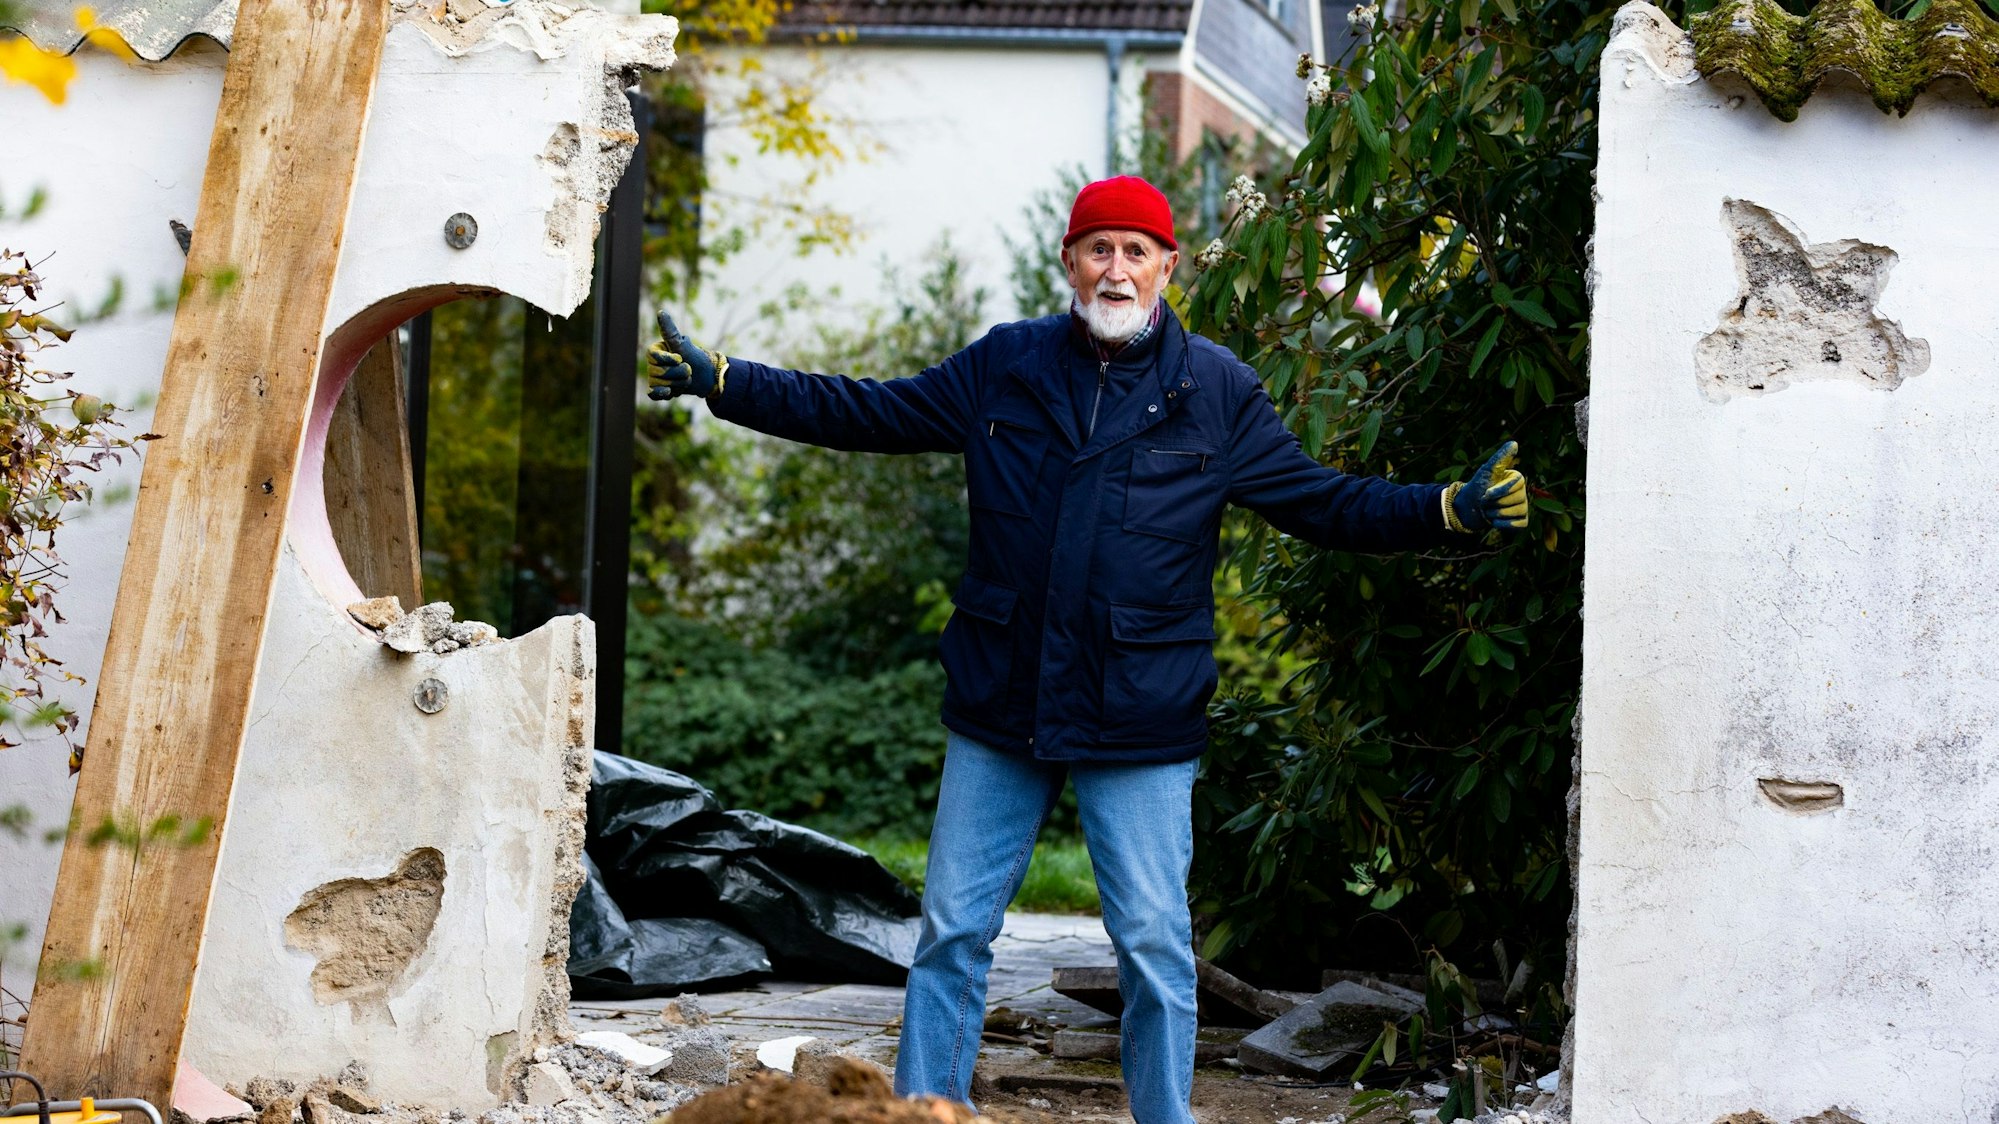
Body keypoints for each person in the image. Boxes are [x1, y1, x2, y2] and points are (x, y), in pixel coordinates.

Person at [645, 175, 1528, 1124]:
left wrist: (1445, 509)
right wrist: (725, 383)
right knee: (950, 934)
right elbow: (869, 412)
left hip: (1139, 711)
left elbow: (1320, 499)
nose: (1116, 269)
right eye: (1098, 248)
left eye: (1135, 251)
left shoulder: (1216, 391)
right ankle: (922, 1116)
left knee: (1152, 942)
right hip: (1001, 700)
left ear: (1166, 268)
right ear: (1068, 261)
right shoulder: (1005, 365)